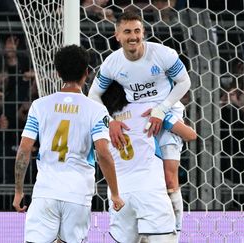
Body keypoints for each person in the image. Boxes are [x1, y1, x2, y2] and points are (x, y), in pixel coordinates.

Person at [88, 11, 191, 239]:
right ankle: (143, 230)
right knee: (141, 175)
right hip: (137, 118)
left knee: (169, 178)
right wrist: (110, 121)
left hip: (165, 113)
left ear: (143, 32)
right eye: (127, 32)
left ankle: (176, 231)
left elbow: (184, 82)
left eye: (137, 31)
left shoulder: (163, 54)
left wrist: (162, 109)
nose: (133, 36)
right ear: (117, 36)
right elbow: (93, 94)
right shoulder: (112, 63)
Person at [12, 44, 124, 242]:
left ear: (57, 73)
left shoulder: (39, 106)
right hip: (77, 193)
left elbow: (24, 150)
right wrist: (115, 193)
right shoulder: (96, 110)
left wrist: (19, 191)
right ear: (87, 73)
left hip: (45, 192)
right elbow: (103, 153)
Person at [101, 81, 196, 243]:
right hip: (148, 190)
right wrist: (163, 115)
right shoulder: (148, 110)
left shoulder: (106, 123)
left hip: (119, 193)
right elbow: (191, 135)